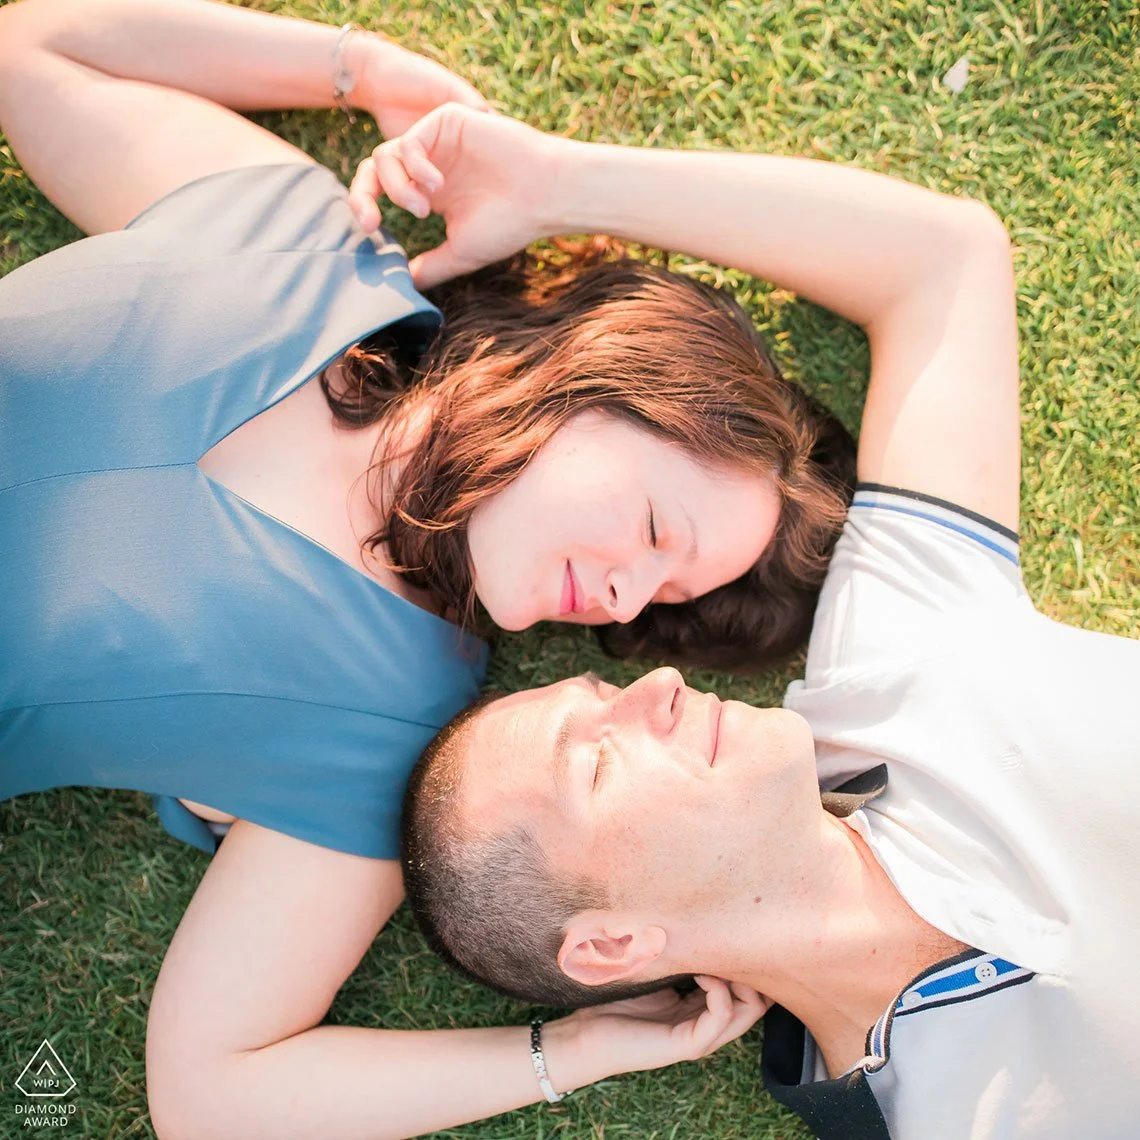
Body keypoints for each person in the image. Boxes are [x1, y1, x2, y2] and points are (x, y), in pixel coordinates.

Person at [0, 0, 863, 1136]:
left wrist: (574, 1049)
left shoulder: (383, 726)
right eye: (655, 528)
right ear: (585, 381)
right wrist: (357, 67)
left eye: (661, 594)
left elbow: (212, 1092)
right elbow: (33, 50)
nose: (621, 594)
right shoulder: (298, 235)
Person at [399, 106, 1140, 1138]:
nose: (661, 688)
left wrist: (557, 183)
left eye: (610, 690)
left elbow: (944, 263)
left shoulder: (895, 664)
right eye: (598, 765)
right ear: (613, 947)